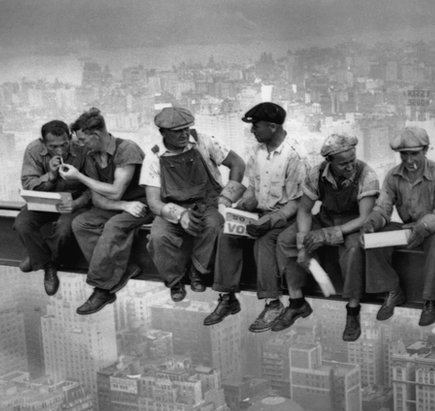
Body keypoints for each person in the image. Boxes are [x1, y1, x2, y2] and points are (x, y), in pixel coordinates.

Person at [203, 102, 309, 332]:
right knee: (228, 232)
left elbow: (297, 202)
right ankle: (227, 297)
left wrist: (270, 221)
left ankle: (273, 303)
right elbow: (252, 187)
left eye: (256, 126)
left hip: (286, 218)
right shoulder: (258, 152)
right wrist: (240, 208)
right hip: (261, 212)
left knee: (265, 241)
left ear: (272, 127)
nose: (253, 131)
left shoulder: (295, 156)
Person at [276, 133, 379, 341]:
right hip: (326, 217)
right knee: (286, 240)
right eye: (343, 164)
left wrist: (326, 235)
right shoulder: (317, 174)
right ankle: (297, 301)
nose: (350, 167)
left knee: (353, 250)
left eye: (352, 161)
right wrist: (303, 244)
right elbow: (305, 210)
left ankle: (352, 309)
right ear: (329, 161)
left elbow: (364, 217)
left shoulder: (367, 175)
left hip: (352, 224)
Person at [141, 106, 246, 302]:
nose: (184, 134)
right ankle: (174, 281)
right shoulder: (154, 156)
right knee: (158, 237)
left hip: (207, 203)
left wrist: (226, 197)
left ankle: (198, 271)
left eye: (186, 128)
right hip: (172, 207)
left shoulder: (204, 141)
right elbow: (154, 202)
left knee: (214, 226)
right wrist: (180, 215)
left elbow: (238, 164)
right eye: (177, 131)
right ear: (163, 133)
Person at [361, 126, 435, 323]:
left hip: (432, 228)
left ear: (425, 150)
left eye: (414, 154)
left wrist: (423, 226)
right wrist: (371, 224)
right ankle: (392, 289)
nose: (409, 160)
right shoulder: (393, 176)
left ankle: (429, 300)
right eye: (404, 155)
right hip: (408, 229)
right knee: (374, 240)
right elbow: (383, 208)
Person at [63, 108, 150, 314]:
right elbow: (97, 197)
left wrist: (80, 177)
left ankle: (102, 288)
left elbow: (115, 190)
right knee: (81, 223)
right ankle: (123, 268)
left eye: (83, 140)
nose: (81, 145)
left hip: (143, 204)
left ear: (96, 135)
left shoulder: (126, 149)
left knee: (113, 226)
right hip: (123, 205)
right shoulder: (93, 156)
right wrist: (123, 206)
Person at [14, 120, 89, 296]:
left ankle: (37, 258)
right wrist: (51, 175)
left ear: (70, 138)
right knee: (22, 224)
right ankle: (47, 265)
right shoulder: (33, 150)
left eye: (64, 144)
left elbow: (93, 186)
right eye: (53, 147)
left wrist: (76, 203)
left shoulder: (82, 149)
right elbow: (29, 184)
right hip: (43, 200)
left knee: (64, 230)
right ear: (43, 142)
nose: (60, 150)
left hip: (73, 201)